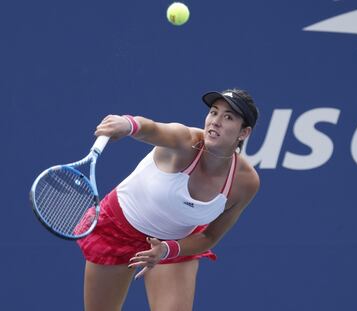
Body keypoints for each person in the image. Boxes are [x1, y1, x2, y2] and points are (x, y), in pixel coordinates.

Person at [77, 89, 260, 311]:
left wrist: (167, 249)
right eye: (213, 112)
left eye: (228, 117)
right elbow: (152, 129)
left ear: (244, 132)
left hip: (174, 241)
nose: (216, 122)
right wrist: (128, 124)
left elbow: (209, 236)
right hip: (118, 226)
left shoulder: (245, 183)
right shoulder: (185, 141)